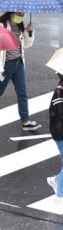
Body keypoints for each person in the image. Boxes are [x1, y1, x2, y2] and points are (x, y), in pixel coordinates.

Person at [0, 12, 40, 131]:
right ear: (11, 13)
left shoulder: (20, 26)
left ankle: (25, 121)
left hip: (18, 63)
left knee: (22, 93)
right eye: (19, 13)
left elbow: (27, 45)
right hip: (6, 66)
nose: (21, 16)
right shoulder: (1, 26)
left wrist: (30, 32)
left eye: (22, 14)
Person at [46, 72, 63, 205]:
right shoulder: (58, 93)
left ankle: (56, 181)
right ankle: (60, 196)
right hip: (61, 134)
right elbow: (61, 113)